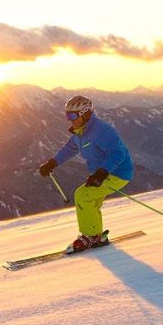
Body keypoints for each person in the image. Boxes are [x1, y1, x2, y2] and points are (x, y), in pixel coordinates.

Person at [38, 95, 133, 253]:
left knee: (83, 195)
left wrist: (101, 173)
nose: (70, 120)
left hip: (117, 172)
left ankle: (91, 236)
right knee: (92, 201)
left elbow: (118, 153)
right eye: (67, 115)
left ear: (85, 113)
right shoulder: (80, 133)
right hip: (102, 173)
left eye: (73, 115)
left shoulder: (102, 131)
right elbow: (70, 149)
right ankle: (97, 236)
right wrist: (52, 164)